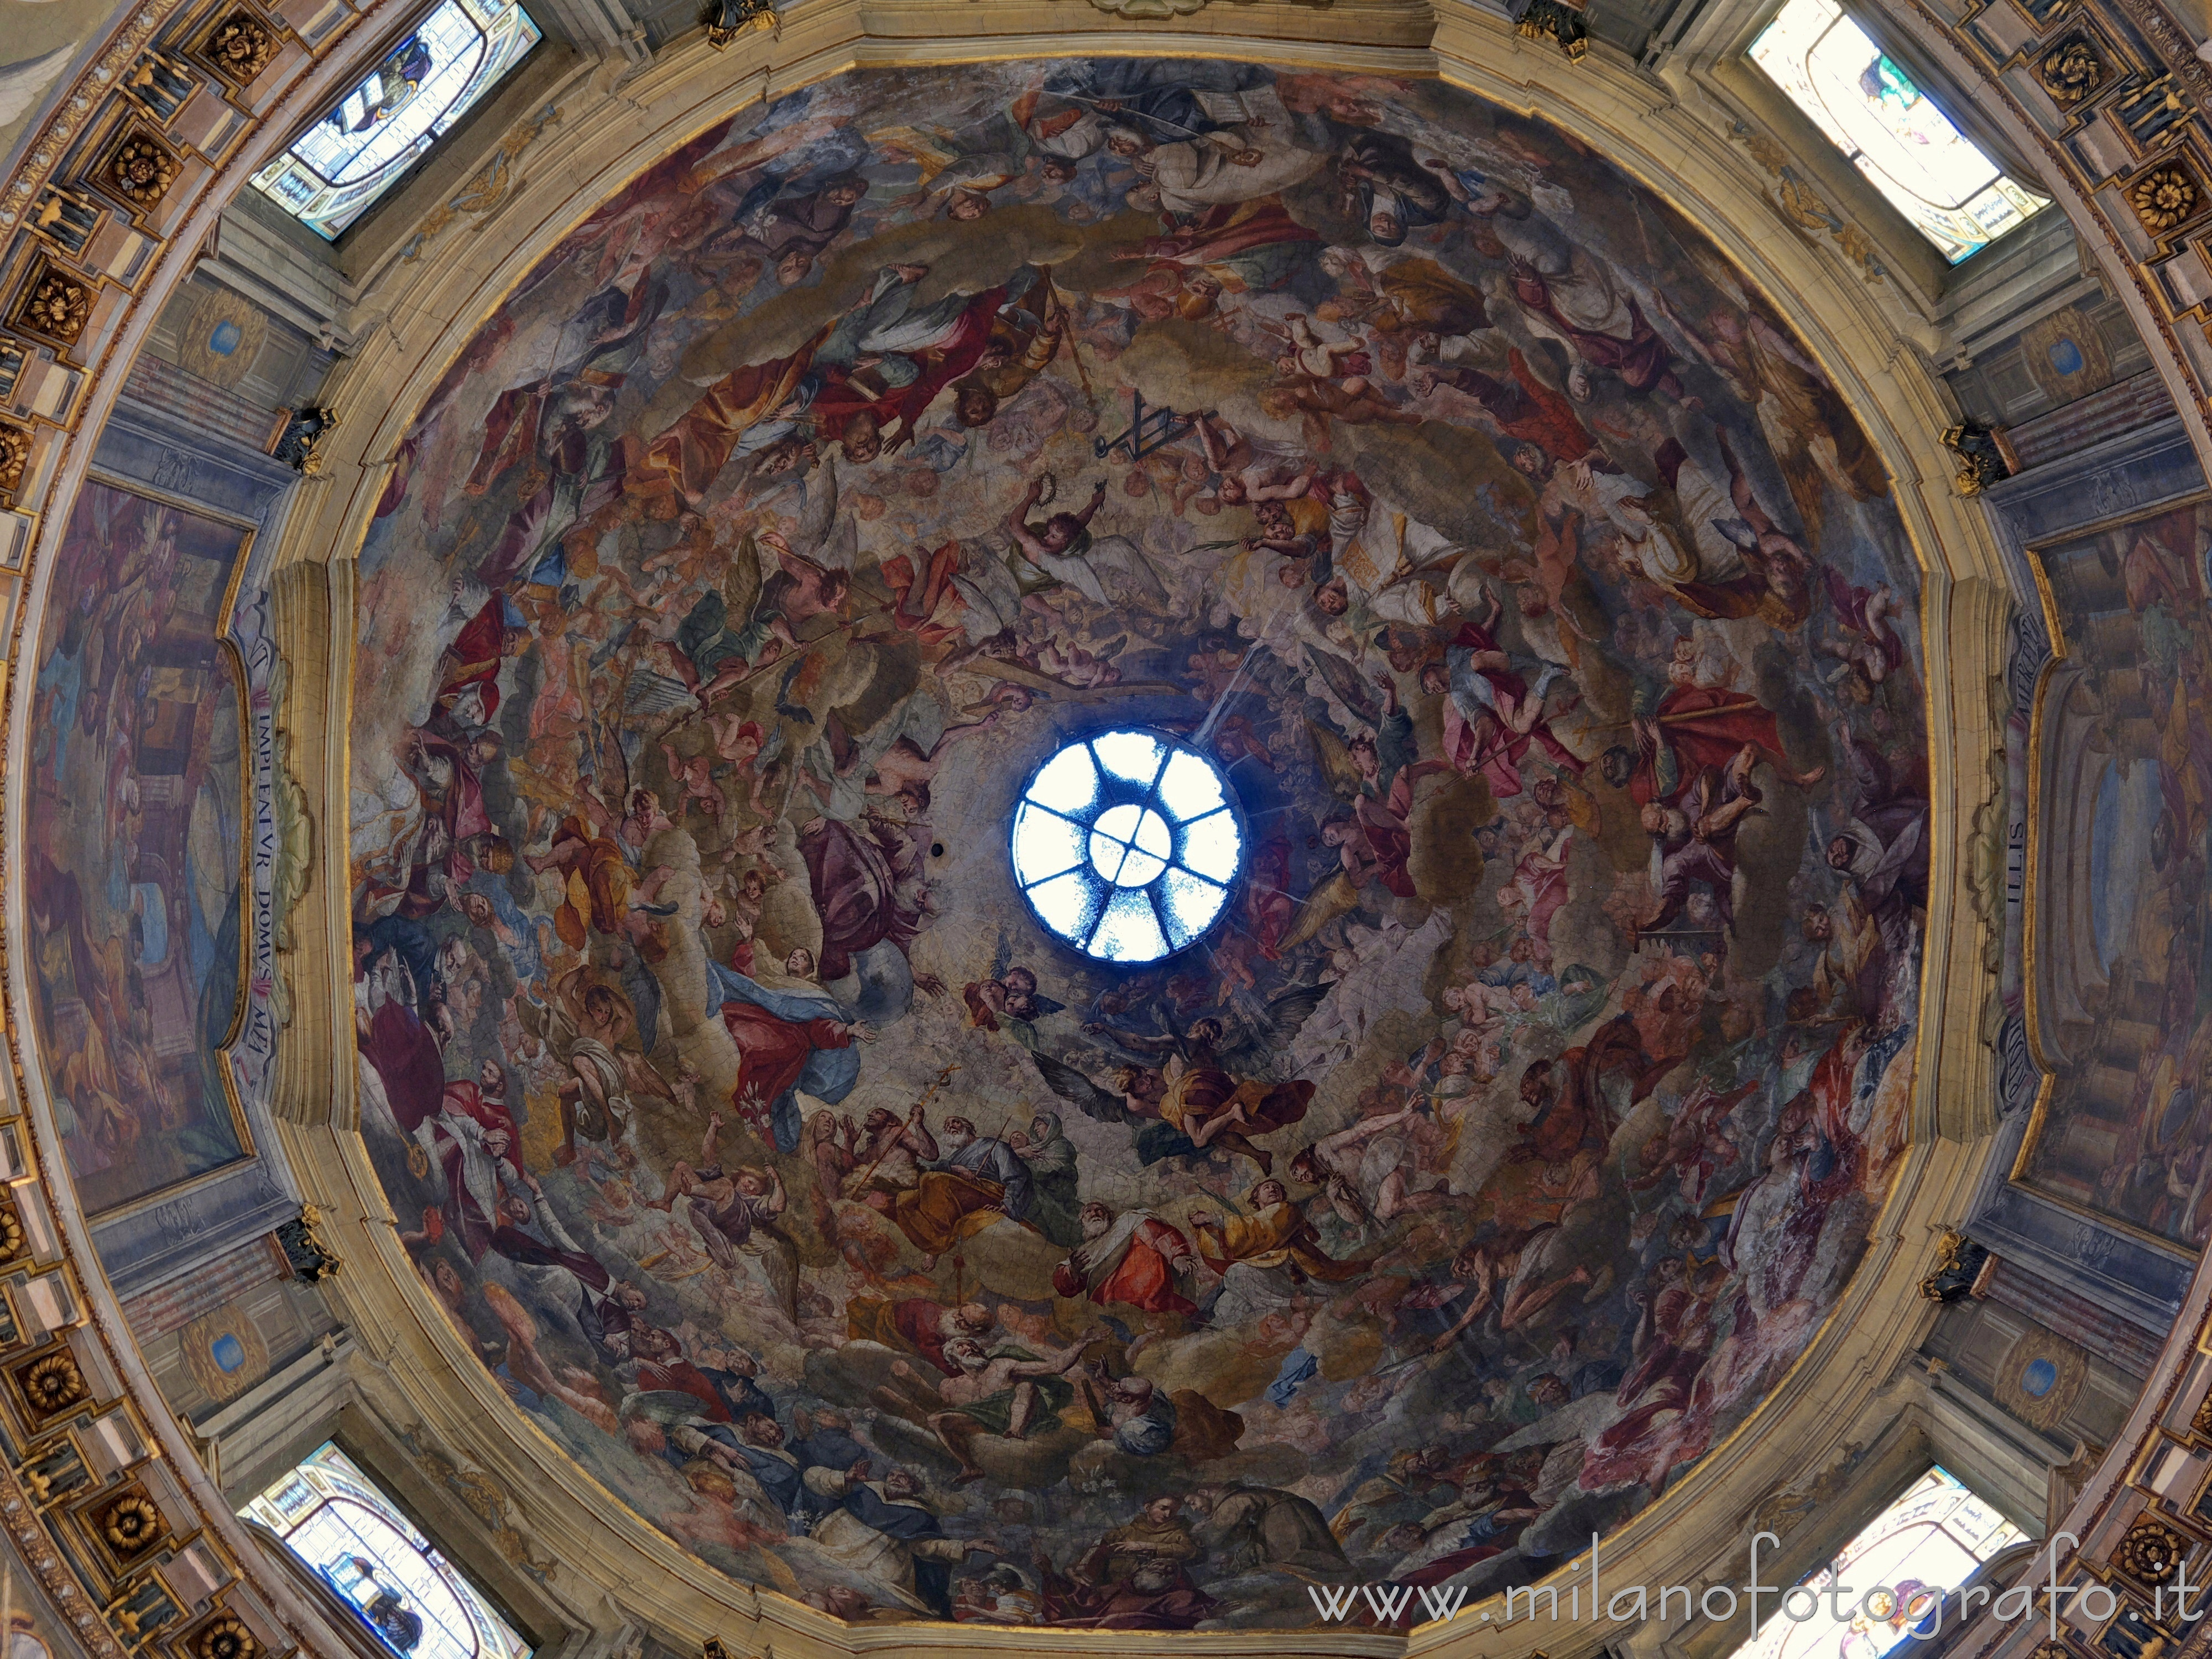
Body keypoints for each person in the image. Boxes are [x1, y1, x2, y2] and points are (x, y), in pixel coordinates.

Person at [924, 1329, 1104, 1483]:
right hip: (982, 1421)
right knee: (936, 1420)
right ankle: (971, 1468)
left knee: (1026, 1386)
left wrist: (1082, 1343)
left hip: (1016, 1413)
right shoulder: (951, 1387)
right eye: (961, 1347)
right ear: (953, 1360)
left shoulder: (1002, 1366)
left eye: (972, 1345)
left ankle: (1015, 1431)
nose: (969, 1348)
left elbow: (1053, 1367)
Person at [885, 1116, 1035, 1269]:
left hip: (989, 1192)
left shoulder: (994, 1146)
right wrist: (955, 1168)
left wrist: (1008, 1205)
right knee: (905, 1199)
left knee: (935, 1180)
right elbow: (934, 1168)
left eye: (955, 1122)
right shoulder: (956, 1156)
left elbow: (1017, 1177)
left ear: (968, 1126)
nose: (951, 1127)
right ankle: (932, 1243)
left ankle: (938, 1244)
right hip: (960, 1194)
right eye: (947, 1126)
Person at [1052, 1201, 1199, 1316]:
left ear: (1108, 1216)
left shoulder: (1127, 1223)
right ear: (1083, 1221)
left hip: (1149, 1290)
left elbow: (1158, 1234)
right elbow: (1066, 1288)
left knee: (1186, 1314)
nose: (1094, 1213)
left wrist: (1177, 1256)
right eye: (1088, 1212)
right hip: (1110, 1303)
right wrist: (1074, 1270)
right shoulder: (1084, 1252)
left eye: (1099, 1210)